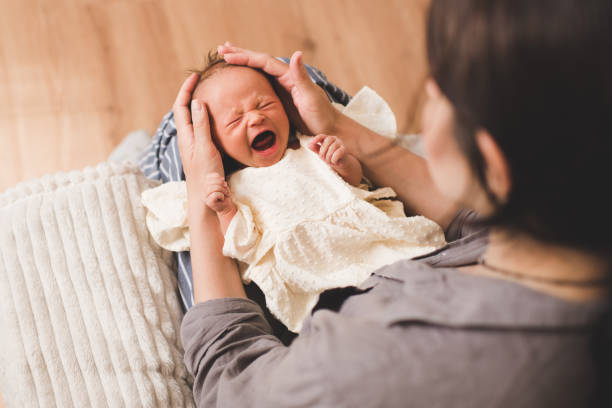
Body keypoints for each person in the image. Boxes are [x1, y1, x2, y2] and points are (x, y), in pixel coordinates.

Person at [174, 0, 612, 406]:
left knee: (170, 136)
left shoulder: (375, 356)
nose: (427, 90)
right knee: (310, 82)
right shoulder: (564, 246)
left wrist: (200, 190)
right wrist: (337, 126)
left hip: (317, 288)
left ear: (492, 160)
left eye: (439, 89)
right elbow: (481, 227)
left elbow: (232, 381)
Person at [143, 52, 445, 332]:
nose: (255, 118)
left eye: (264, 104)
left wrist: (342, 162)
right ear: (216, 144)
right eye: (235, 120)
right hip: (312, 274)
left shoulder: (309, 146)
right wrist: (224, 211)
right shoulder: (235, 187)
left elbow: (359, 187)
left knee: (412, 266)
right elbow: (244, 245)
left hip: (367, 241)